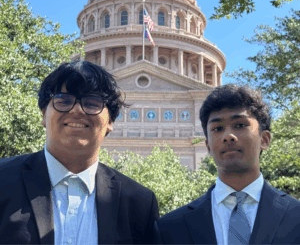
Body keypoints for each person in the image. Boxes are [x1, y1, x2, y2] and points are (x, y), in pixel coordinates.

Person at [0, 61, 159, 244]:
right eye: (64, 100)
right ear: (44, 114)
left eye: (92, 103)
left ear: (110, 122)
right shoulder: (3, 180)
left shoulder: (138, 204)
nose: (76, 110)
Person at [154, 84, 300, 244]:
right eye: (217, 128)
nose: (228, 136)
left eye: (240, 125)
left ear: (264, 140)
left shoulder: (295, 216)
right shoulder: (171, 228)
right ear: (208, 146)